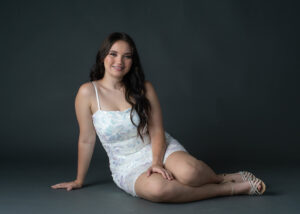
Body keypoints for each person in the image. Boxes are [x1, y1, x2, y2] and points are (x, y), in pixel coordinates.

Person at [51, 32, 266, 203]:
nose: (120, 61)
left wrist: (156, 162)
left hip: (158, 147)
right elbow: (86, 139)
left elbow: (156, 130)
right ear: (103, 56)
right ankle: (228, 188)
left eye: (127, 56)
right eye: (114, 54)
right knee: (159, 190)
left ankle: (221, 177)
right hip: (126, 164)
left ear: (133, 61)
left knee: (190, 173)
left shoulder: (144, 88)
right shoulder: (87, 93)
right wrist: (79, 180)